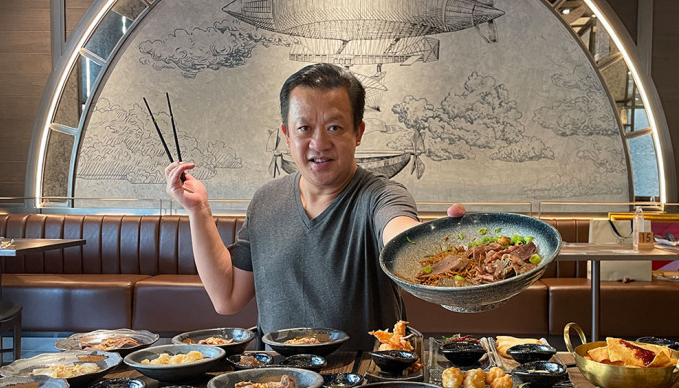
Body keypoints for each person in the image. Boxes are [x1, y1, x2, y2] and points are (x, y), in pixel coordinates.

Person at [166, 63, 465, 349]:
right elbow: (227, 297)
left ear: (358, 133)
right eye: (305, 128)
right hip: (277, 386)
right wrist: (199, 210)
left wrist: (436, 245)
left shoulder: (381, 195)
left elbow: (401, 236)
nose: (319, 143)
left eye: (334, 127)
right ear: (286, 135)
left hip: (364, 387)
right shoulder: (265, 201)